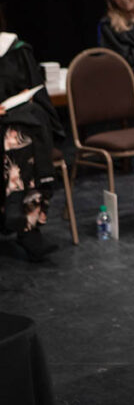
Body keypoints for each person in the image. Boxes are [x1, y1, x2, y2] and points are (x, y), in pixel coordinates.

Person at [0, 32, 63, 261]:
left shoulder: (14, 48)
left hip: (14, 121)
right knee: (18, 138)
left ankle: (22, 213)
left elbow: (34, 88)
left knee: (25, 129)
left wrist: (26, 96)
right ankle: (27, 225)